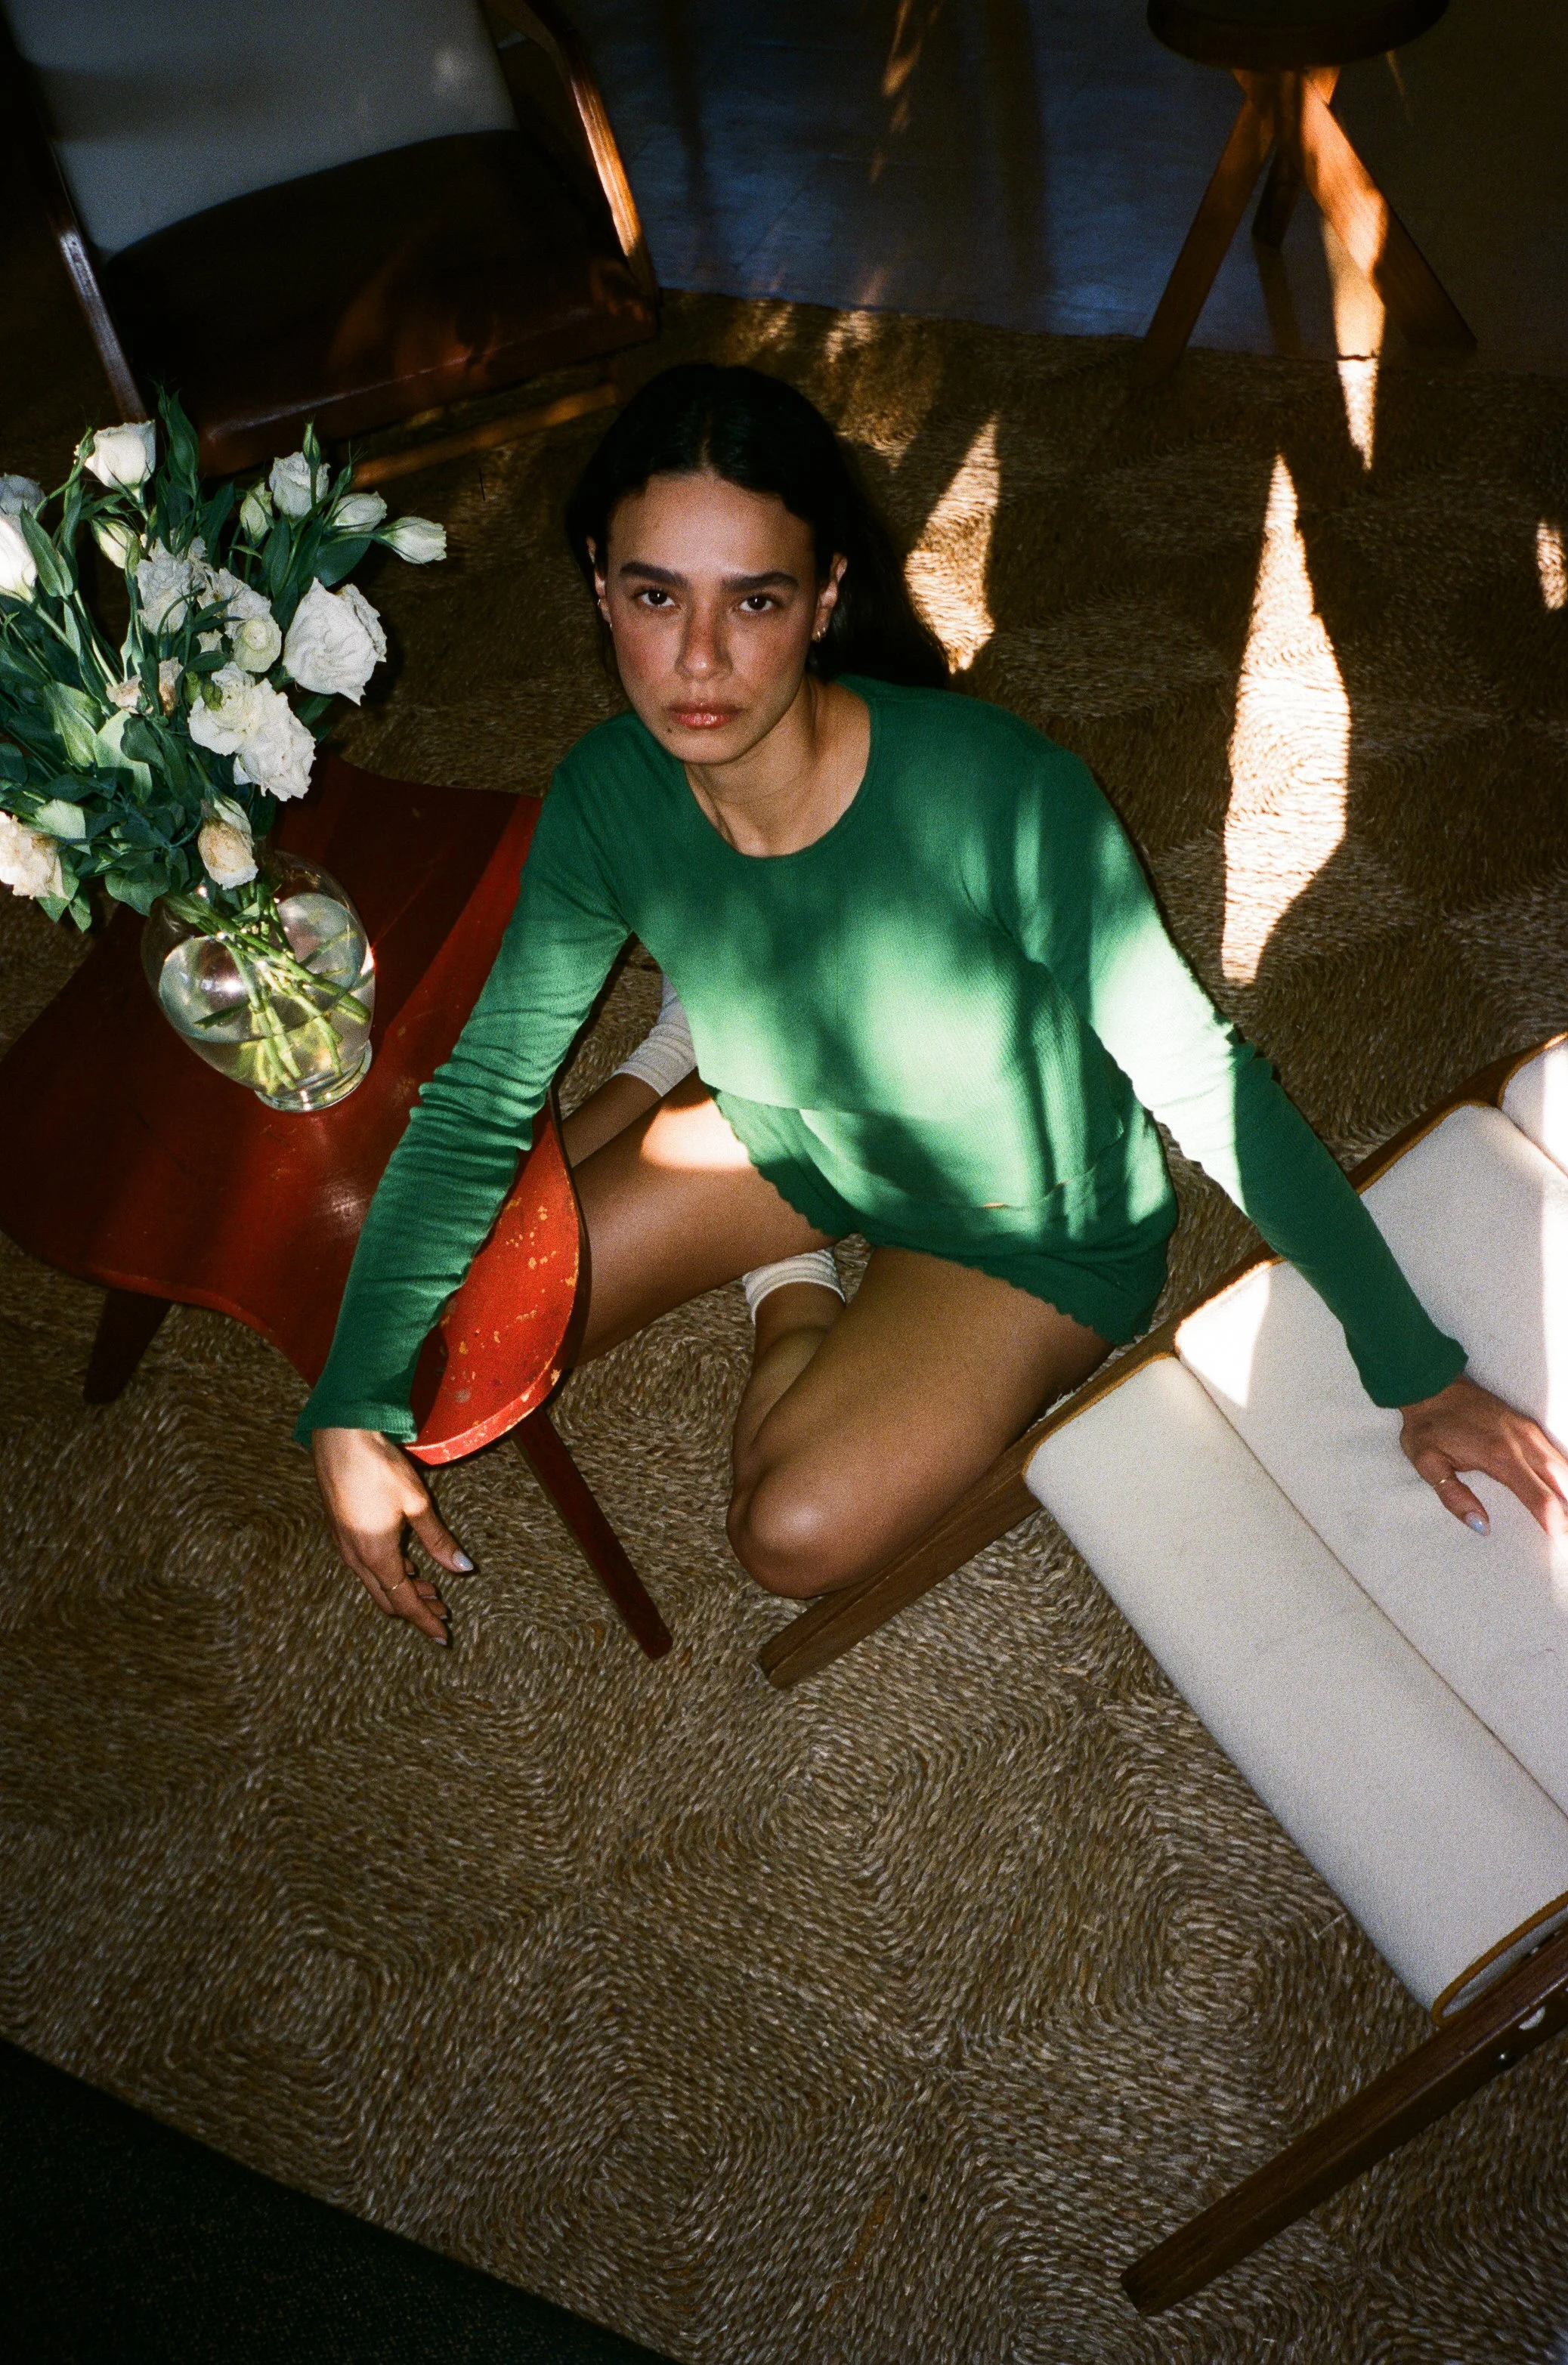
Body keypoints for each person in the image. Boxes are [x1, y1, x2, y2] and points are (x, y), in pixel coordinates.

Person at [301, 363, 1568, 1644]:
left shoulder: (1001, 793)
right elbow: (477, 1105)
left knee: (785, 1531)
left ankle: (790, 1287)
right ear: (598, 583)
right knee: (455, 1342)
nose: (698, 658)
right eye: (653, 594)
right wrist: (350, 1398)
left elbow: (1207, 1082)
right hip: (789, 1129)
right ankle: (775, 1220)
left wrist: (1413, 1369)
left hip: (1021, 1223)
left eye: (754, 599)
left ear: (825, 597)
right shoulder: (602, 792)